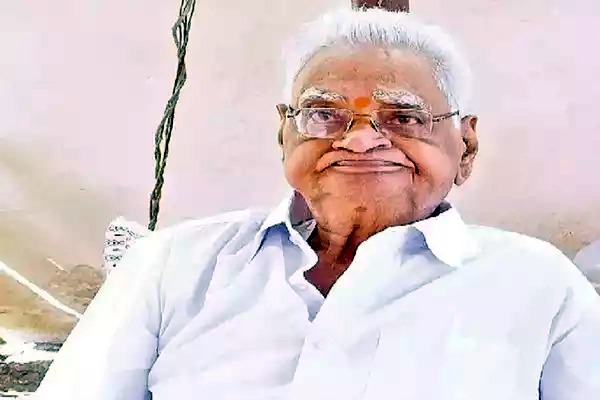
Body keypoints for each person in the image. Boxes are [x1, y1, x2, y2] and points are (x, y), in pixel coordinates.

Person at [34, 8, 599, 400]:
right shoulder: (173, 264)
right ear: (284, 134)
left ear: (466, 145)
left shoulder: (538, 284)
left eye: (403, 116)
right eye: (324, 114)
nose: (360, 140)